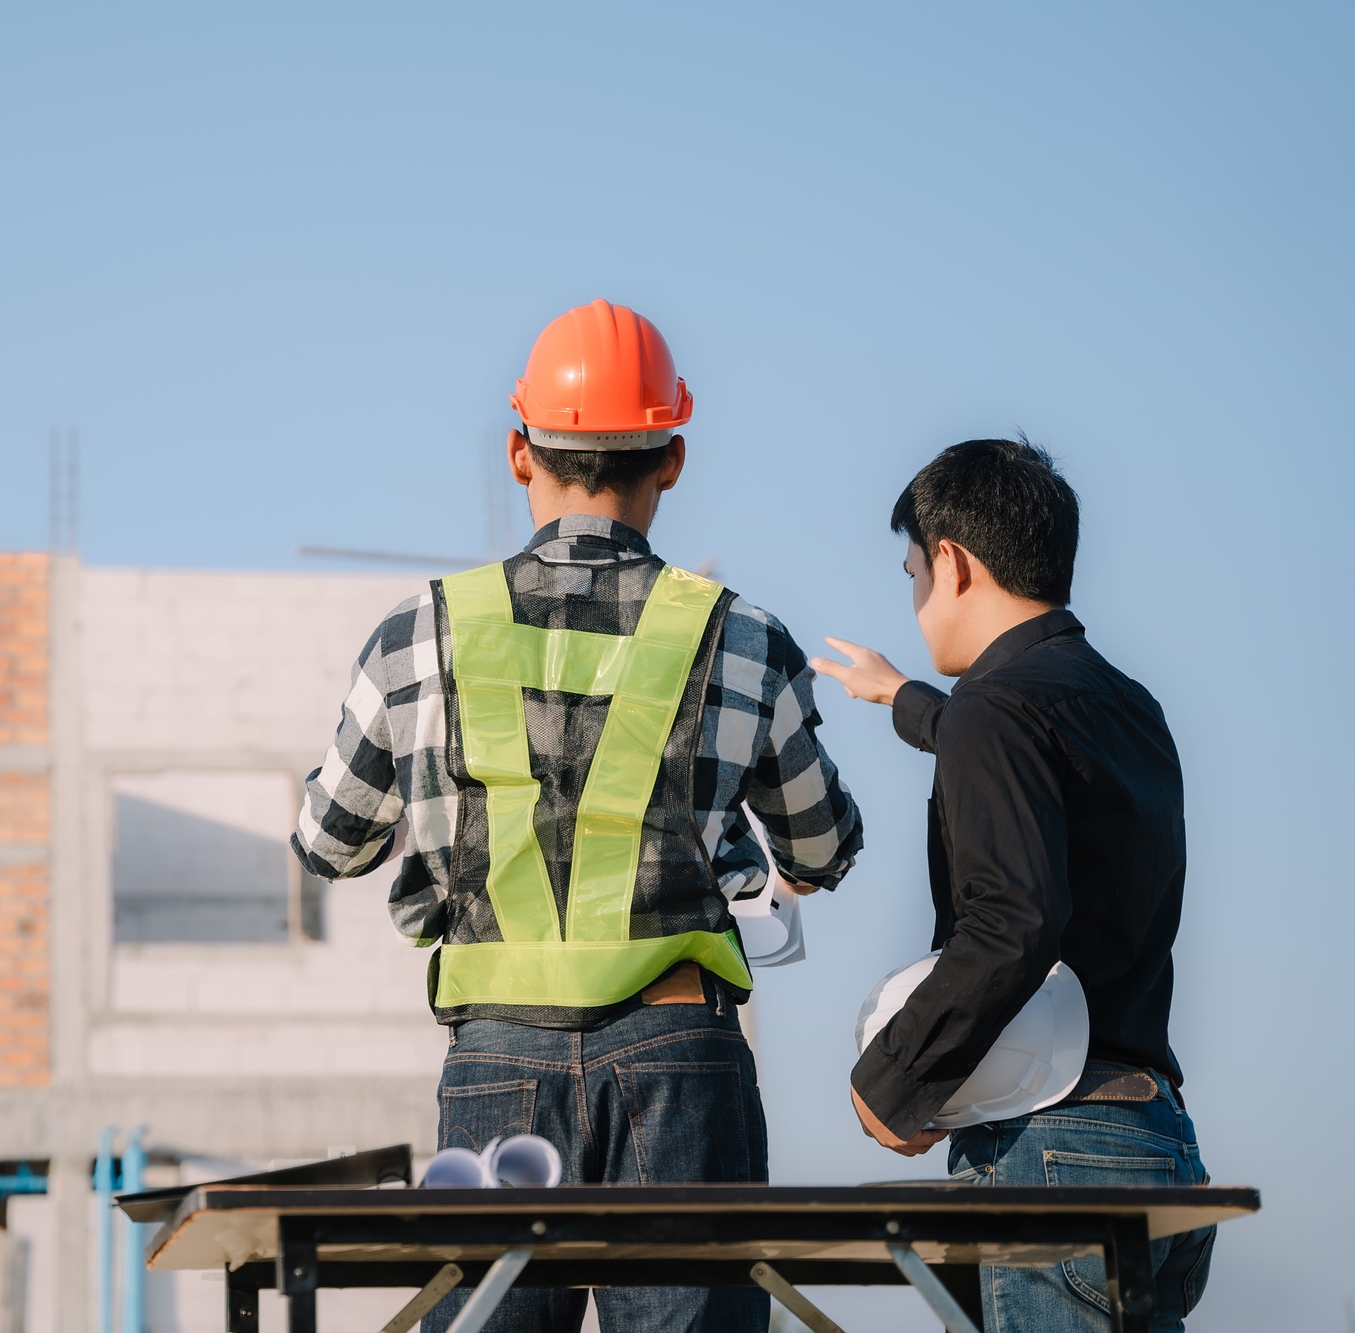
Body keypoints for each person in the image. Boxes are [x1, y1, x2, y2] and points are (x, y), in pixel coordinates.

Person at [292, 300, 863, 1332]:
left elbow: (329, 843)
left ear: (519, 452)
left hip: (495, 1058)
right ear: (672, 457)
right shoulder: (739, 634)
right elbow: (823, 842)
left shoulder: (417, 632)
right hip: (677, 1050)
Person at [813, 438, 1215, 1332]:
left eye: (914, 571)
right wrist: (906, 700)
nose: (916, 600)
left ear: (953, 563)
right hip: (1157, 1141)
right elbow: (1018, 758)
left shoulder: (995, 711)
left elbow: (1013, 921)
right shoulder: (1126, 703)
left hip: (1052, 1148)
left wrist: (894, 1079)